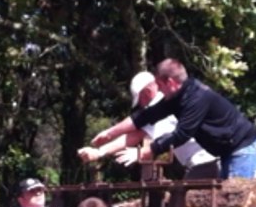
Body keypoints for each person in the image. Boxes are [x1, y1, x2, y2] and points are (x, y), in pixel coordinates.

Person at [89, 58, 256, 178]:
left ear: (171, 83)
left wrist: (142, 153)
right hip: (228, 153)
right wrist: (109, 133)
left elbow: (182, 134)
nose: (158, 90)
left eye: (160, 85)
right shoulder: (176, 98)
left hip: (245, 150)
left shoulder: (197, 98)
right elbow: (144, 116)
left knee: (235, 203)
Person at [77, 71, 220, 179]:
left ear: (147, 91)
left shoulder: (161, 105)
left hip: (205, 161)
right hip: (201, 162)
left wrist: (138, 153)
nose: (141, 105)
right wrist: (100, 151)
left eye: (141, 100)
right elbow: (136, 134)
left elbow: (138, 136)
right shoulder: (163, 104)